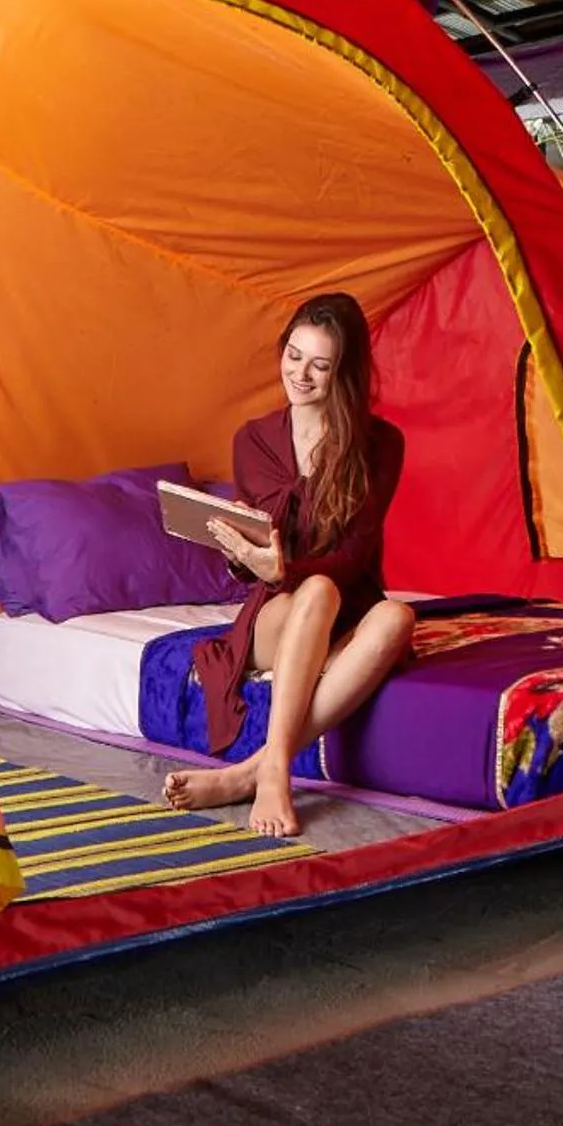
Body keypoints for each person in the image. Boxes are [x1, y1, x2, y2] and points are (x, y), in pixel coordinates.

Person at [164, 293, 414, 838]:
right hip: (279, 615)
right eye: (293, 356)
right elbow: (261, 561)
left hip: (347, 604)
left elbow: (354, 557)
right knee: (316, 591)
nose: (300, 374)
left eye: (319, 365)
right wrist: (244, 559)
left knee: (397, 619)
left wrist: (282, 570)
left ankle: (256, 768)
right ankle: (275, 769)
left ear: (343, 373)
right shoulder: (253, 441)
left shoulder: (381, 444)